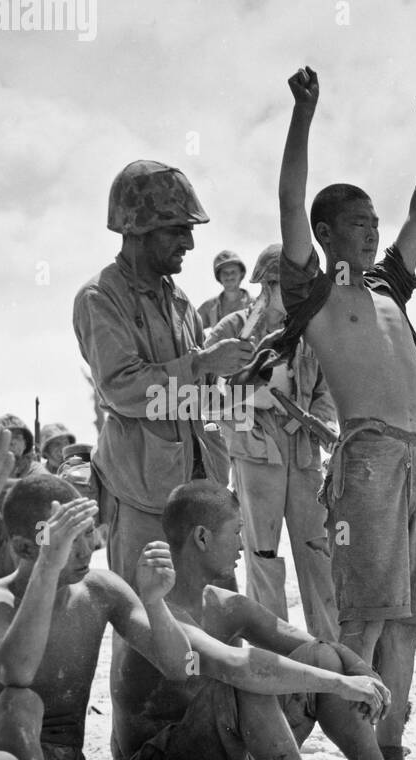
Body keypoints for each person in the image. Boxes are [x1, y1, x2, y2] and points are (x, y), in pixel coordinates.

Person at [277, 67, 416, 760]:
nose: (375, 231)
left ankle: (394, 753)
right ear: (325, 234)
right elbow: (290, 195)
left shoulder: (387, 287)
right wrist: (304, 113)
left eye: (375, 223)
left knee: (409, 619)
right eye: (359, 222)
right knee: (366, 622)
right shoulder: (315, 290)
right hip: (370, 456)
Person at [113, 482, 416, 760]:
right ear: (202, 537)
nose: (242, 546)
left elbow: (319, 649)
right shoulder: (154, 607)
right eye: (236, 533)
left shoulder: (227, 605)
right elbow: (238, 665)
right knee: (252, 677)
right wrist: (338, 684)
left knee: (322, 659)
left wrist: (363, 674)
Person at [0, 475, 232, 760]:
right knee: (20, 702)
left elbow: (179, 667)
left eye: (89, 534)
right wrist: (47, 570)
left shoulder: (98, 589)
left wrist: (155, 603)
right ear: (24, 547)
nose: (86, 550)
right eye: (70, 540)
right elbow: (17, 674)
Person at [73, 160, 252, 589]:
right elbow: (123, 390)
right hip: (143, 501)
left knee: (218, 627)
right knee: (147, 633)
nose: (189, 242)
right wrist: (202, 364)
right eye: (176, 228)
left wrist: (235, 380)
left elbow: (196, 397)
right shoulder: (100, 298)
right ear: (137, 228)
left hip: (200, 497)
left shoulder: (181, 303)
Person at [205, 243, 339, 639]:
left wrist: (311, 422)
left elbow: (326, 393)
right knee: (262, 556)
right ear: (267, 283)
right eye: (289, 284)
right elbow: (205, 396)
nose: (299, 293)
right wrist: (249, 398)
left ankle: (330, 656)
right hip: (254, 450)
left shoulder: (313, 330)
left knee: (318, 555)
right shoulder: (232, 328)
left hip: (303, 454)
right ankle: (274, 653)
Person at [0, 414, 51, 577]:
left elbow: (45, 489)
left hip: (26, 555)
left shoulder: (35, 469)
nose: (12, 441)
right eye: (8, 436)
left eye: (18, 437)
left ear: (26, 443)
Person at [197, 249, 252, 329]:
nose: (229, 276)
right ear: (218, 276)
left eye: (233, 272)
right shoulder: (210, 306)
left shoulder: (255, 304)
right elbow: (190, 328)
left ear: (241, 273)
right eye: (224, 273)